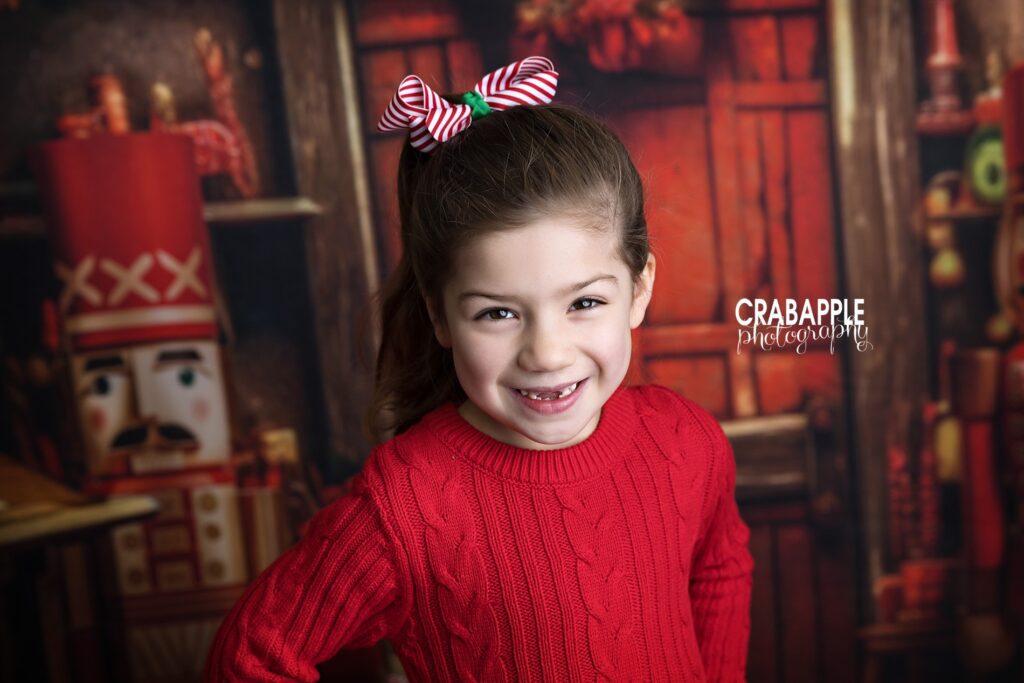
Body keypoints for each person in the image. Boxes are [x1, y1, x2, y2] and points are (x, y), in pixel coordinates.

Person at [205, 56, 754, 682]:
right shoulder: (403, 507)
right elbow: (249, 655)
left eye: (584, 303)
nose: (546, 353)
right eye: (497, 313)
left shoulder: (686, 440)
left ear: (639, 288)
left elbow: (721, 568)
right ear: (440, 316)